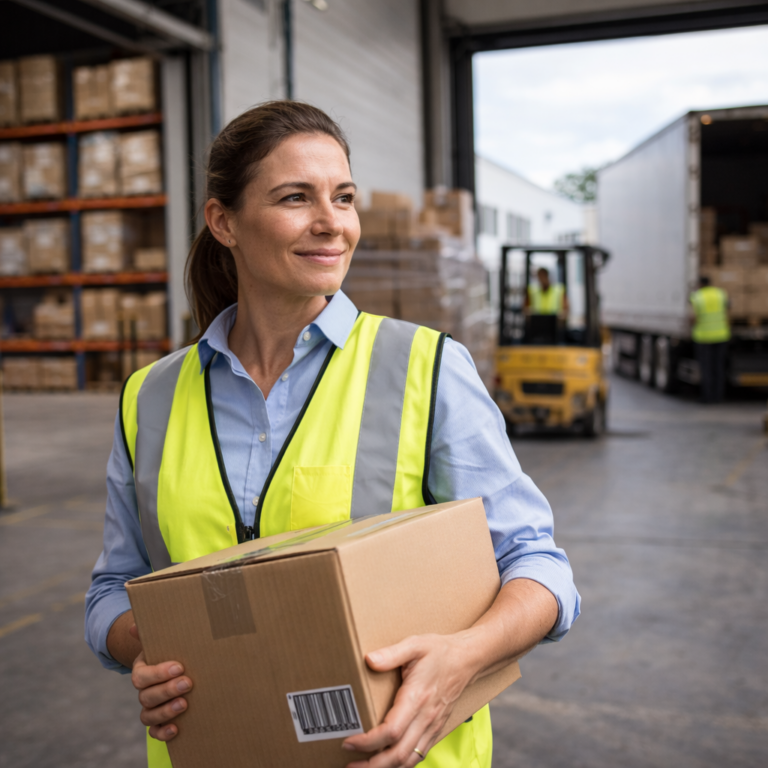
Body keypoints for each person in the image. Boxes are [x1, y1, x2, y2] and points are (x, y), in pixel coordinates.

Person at [85, 101, 580, 768]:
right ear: (223, 221)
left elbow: (538, 565)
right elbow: (115, 587)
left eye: (342, 198)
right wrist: (142, 652)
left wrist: (462, 659)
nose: (331, 224)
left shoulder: (422, 368)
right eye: (296, 198)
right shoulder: (152, 397)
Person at [690, 275, 730, 403]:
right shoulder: (721, 294)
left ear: (700, 284)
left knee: (706, 368)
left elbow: (693, 317)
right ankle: (718, 396)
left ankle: (707, 397)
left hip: (704, 337)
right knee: (718, 367)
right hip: (721, 335)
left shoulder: (697, 296)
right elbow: (728, 311)